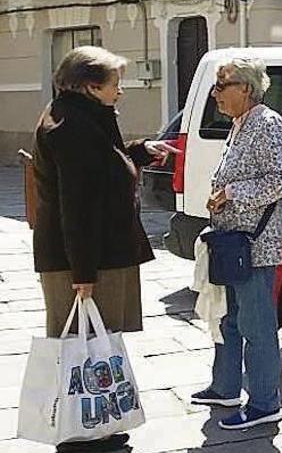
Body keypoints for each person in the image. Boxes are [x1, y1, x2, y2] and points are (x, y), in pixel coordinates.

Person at [32, 46, 179, 452]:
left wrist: (139, 151)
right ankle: (81, 434)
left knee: (98, 342)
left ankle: (99, 421)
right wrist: (83, 273)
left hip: (99, 251)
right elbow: (76, 205)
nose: (121, 91)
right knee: (81, 344)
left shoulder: (85, 115)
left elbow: (104, 163)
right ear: (90, 86)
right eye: (115, 83)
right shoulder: (71, 127)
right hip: (83, 257)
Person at [189, 58, 282, 430]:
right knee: (227, 318)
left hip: (255, 244)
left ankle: (265, 403)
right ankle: (226, 388)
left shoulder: (266, 124)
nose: (215, 93)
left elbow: (281, 180)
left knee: (256, 325)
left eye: (222, 85)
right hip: (232, 241)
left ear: (246, 89)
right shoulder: (240, 124)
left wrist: (231, 193)